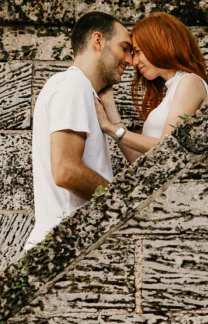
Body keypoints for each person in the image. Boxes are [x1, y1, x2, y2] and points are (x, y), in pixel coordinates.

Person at [24, 12, 132, 251]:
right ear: (98, 41)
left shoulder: (83, 91)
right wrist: (122, 202)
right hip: (64, 248)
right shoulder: (72, 86)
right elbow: (66, 171)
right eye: (125, 48)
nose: (130, 60)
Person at [95, 12, 208, 160]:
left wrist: (110, 128)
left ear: (159, 44)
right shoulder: (174, 88)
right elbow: (138, 160)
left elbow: (168, 147)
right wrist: (108, 101)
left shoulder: (190, 82)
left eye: (138, 52)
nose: (134, 62)